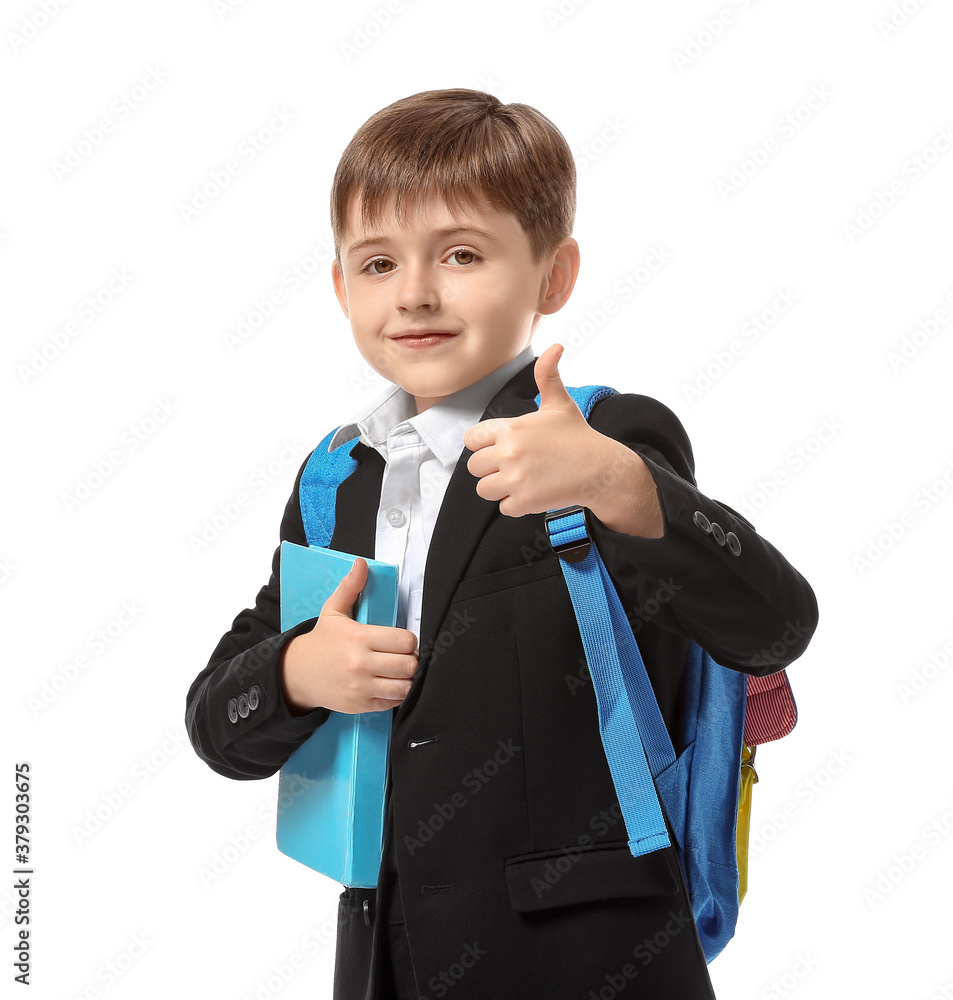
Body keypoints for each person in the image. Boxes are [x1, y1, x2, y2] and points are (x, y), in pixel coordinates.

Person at [185, 88, 819, 1000]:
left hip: (586, 960)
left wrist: (612, 482)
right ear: (338, 288)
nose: (413, 293)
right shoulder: (338, 479)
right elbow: (217, 722)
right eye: (376, 263)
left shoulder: (605, 438)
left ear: (552, 277)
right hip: (386, 960)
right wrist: (293, 674)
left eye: (461, 254)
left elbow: (772, 624)